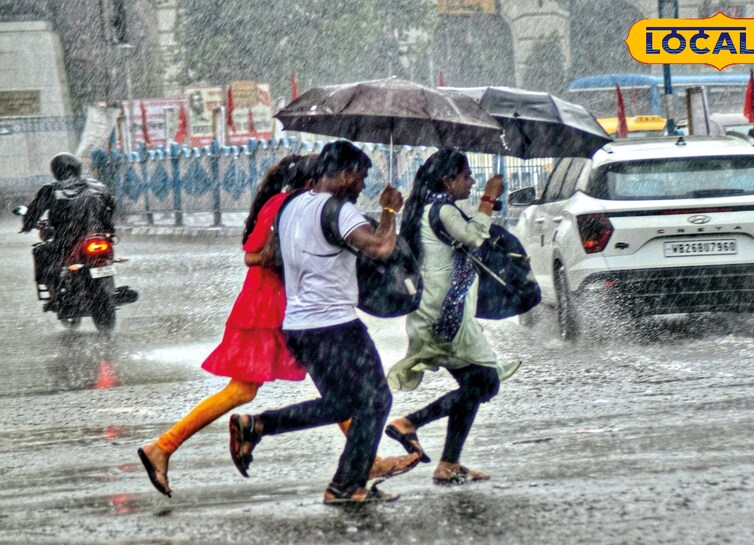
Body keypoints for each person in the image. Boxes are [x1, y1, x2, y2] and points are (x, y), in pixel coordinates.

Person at [138, 154, 417, 497]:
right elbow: (256, 254)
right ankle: (165, 445)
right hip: (275, 307)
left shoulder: (289, 203)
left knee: (341, 395)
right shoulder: (288, 205)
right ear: (311, 182)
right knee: (249, 390)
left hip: (288, 307)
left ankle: (360, 464)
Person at [228, 140, 408, 505]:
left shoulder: (291, 206)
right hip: (335, 326)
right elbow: (380, 247)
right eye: (360, 178)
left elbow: (271, 257)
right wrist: (389, 211)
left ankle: (258, 426)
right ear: (343, 174)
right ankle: (344, 486)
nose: (361, 187)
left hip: (298, 327)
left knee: (345, 403)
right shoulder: (338, 210)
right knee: (376, 400)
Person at [384, 148, 520, 485]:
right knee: (486, 381)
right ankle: (411, 422)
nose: (472, 180)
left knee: (473, 387)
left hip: (435, 312)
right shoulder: (442, 209)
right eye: (466, 175)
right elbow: (474, 236)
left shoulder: (427, 210)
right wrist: (489, 197)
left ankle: (449, 464)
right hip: (447, 317)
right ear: (448, 180)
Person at [21, 152, 115, 305]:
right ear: (77, 167)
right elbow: (111, 205)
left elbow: (33, 213)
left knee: (40, 251)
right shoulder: (96, 185)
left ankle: (55, 293)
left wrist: (28, 225)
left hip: (68, 239)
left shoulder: (51, 189)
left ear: (56, 171)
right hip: (98, 235)